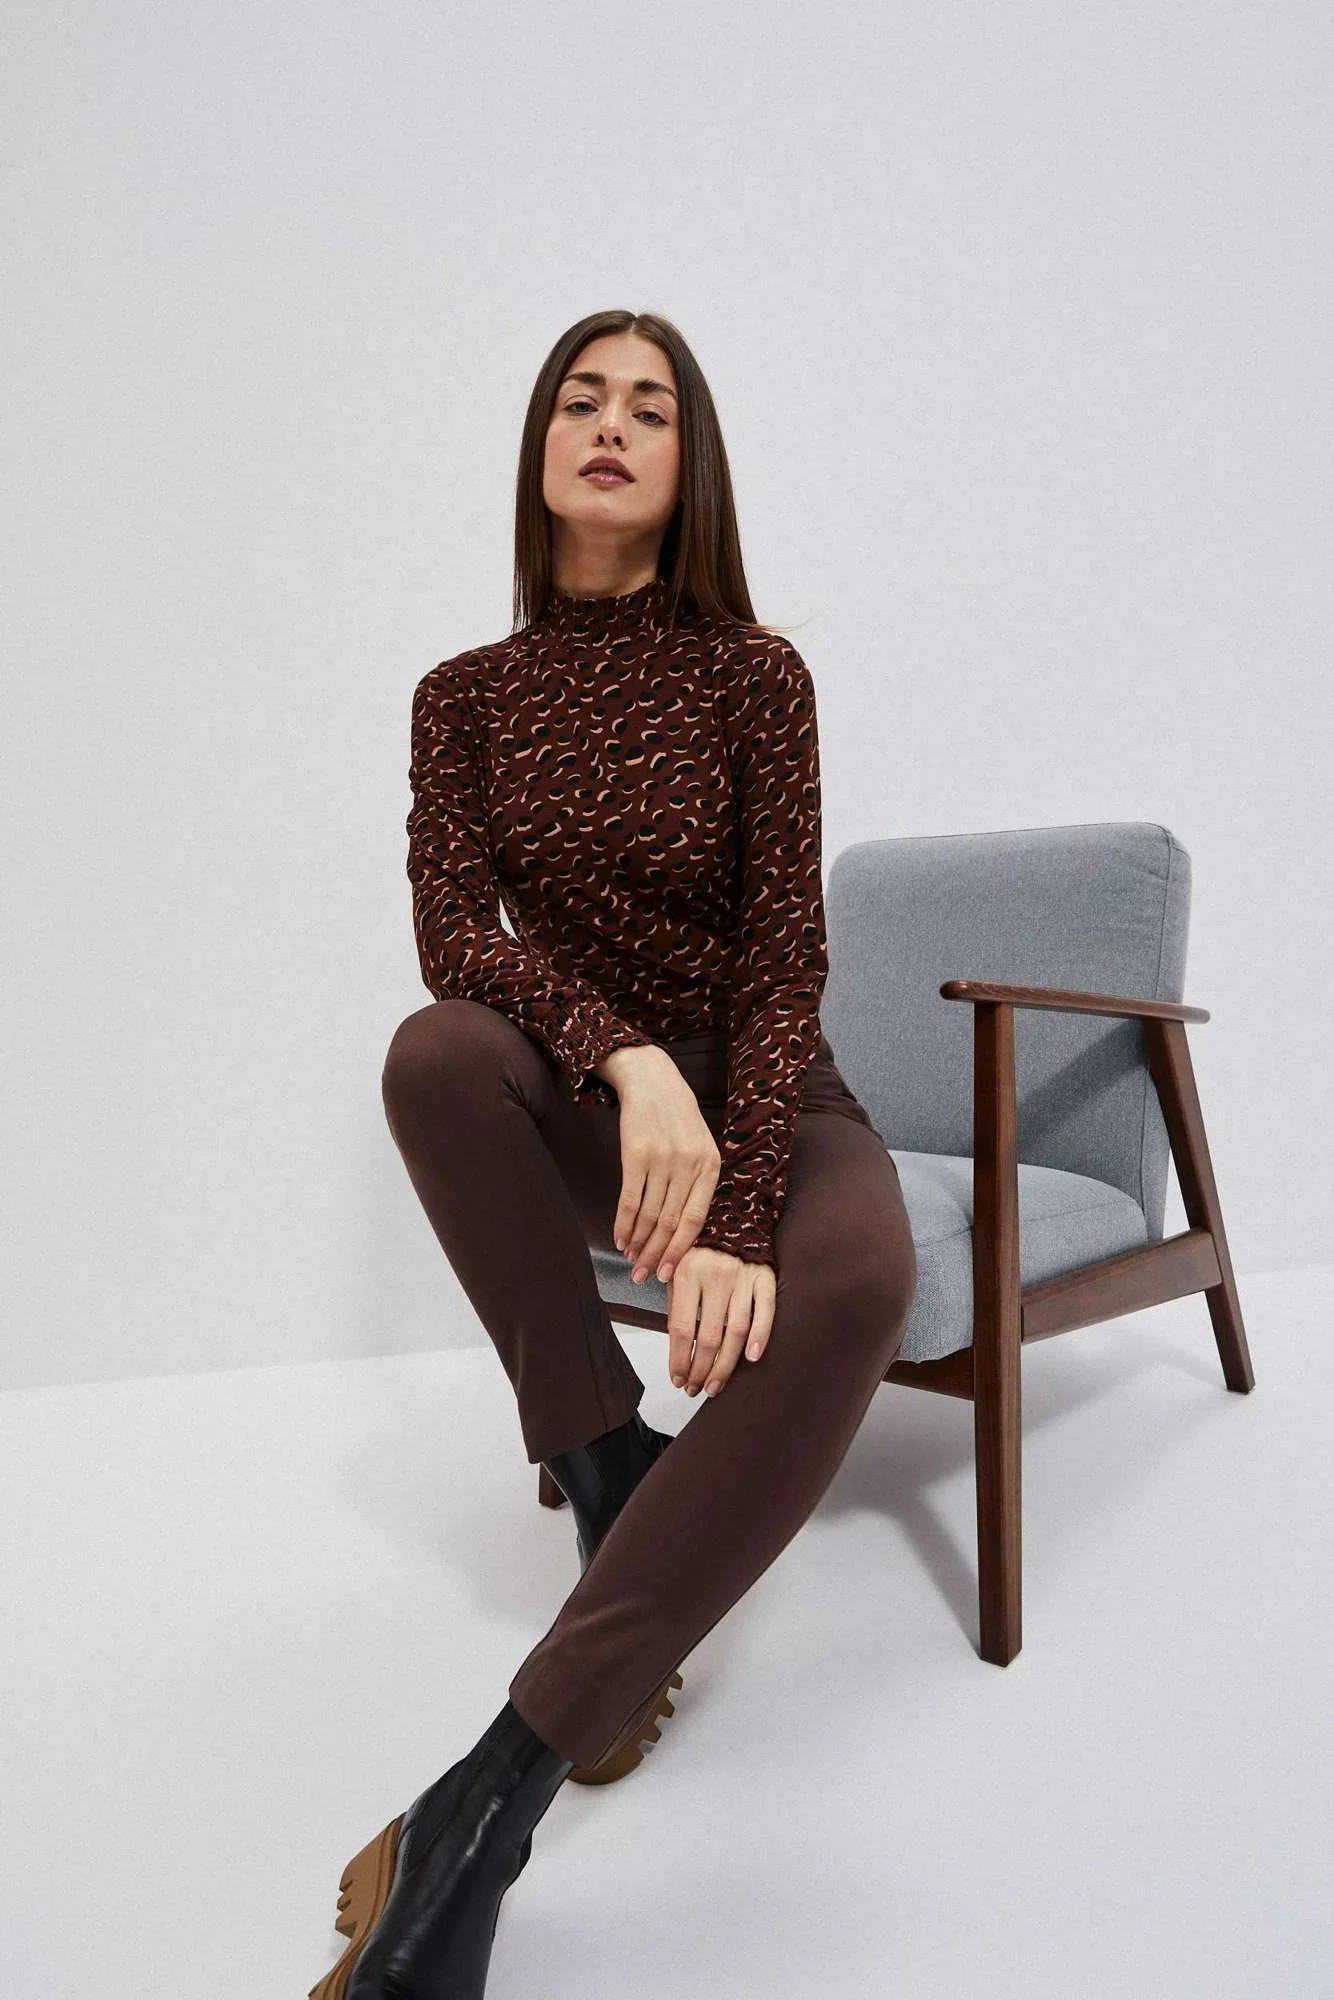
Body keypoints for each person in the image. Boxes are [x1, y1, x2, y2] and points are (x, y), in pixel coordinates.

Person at [311, 309, 917, 2000]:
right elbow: (456, 940)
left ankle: (481, 1811)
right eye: (581, 398)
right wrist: (626, 1061)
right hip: (601, 1103)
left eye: (649, 408)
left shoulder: (753, 675)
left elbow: (782, 962)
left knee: (860, 1278)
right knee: (437, 1055)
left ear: (684, 465)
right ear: (538, 446)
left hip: (773, 1095)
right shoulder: (462, 698)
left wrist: (742, 1205)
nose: (609, 424)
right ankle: (604, 1467)